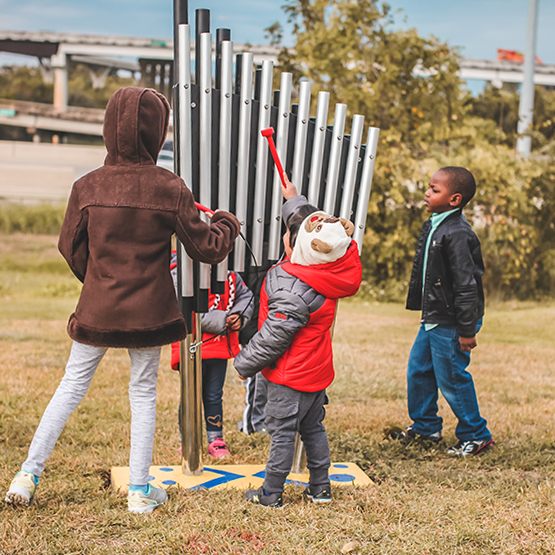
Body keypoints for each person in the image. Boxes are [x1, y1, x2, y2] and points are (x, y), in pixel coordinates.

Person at [5, 87, 240, 513]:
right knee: (142, 393)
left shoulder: (86, 185)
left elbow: (68, 246)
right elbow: (206, 247)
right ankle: (138, 491)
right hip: (150, 314)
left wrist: (96, 281)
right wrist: (227, 222)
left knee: (70, 386)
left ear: (107, 128)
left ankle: (27, 475)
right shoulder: (170, 187)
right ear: (158, 132)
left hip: (96, 308)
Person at [234, 177, 362, 507]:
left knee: (282, 435)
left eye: (290, 233)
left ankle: (271, 494)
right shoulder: (334, 265)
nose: (286, 234)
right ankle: (320, 488)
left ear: (297, 246)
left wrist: (245, 363)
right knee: (314, 429)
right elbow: (317, 225)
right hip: (316, 372)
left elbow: (274, 337)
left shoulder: (291, 289)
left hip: (290, 377)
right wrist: (294, 199)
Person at [399, 166, 493, 456]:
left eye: (434, 189)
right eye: (429, 187)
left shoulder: (458, 234)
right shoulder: (435, 224)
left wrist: (465, 331)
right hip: (434, 317)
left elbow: (467, 286)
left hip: (453, 321)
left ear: (455, 199)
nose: (427, 192)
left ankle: (476, 435)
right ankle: (426, 428)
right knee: (419, 370)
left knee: (452, 377)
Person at [169, 255, 254, 458]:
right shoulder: (180, 274)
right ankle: (188, 438)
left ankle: (216, 439)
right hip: (191, 346)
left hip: (219, 348)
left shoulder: (229, 275)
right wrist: (222, 319)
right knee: (191, 395)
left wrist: (238, 316)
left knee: (214, 395)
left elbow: (245, 296)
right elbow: (184, 308)